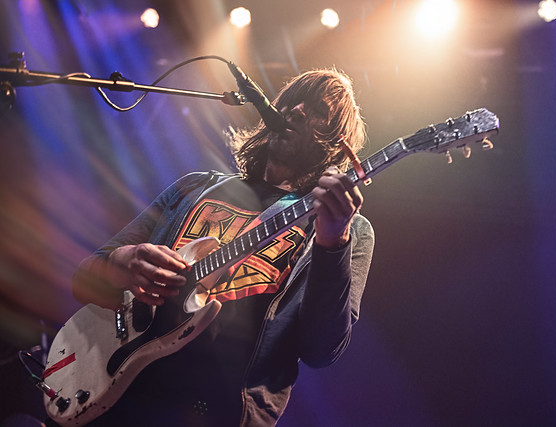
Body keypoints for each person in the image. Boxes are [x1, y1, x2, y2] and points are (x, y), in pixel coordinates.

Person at [68, 68, 375, 426]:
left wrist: (334, 241)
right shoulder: (196, 187)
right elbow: (83, 280)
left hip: (215, 414)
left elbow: (321, 350)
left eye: (318, 111)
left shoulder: (349, 231)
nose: (297, 111)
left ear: (338, 142)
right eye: (292, 101)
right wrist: (122, 261)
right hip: (117, 390)